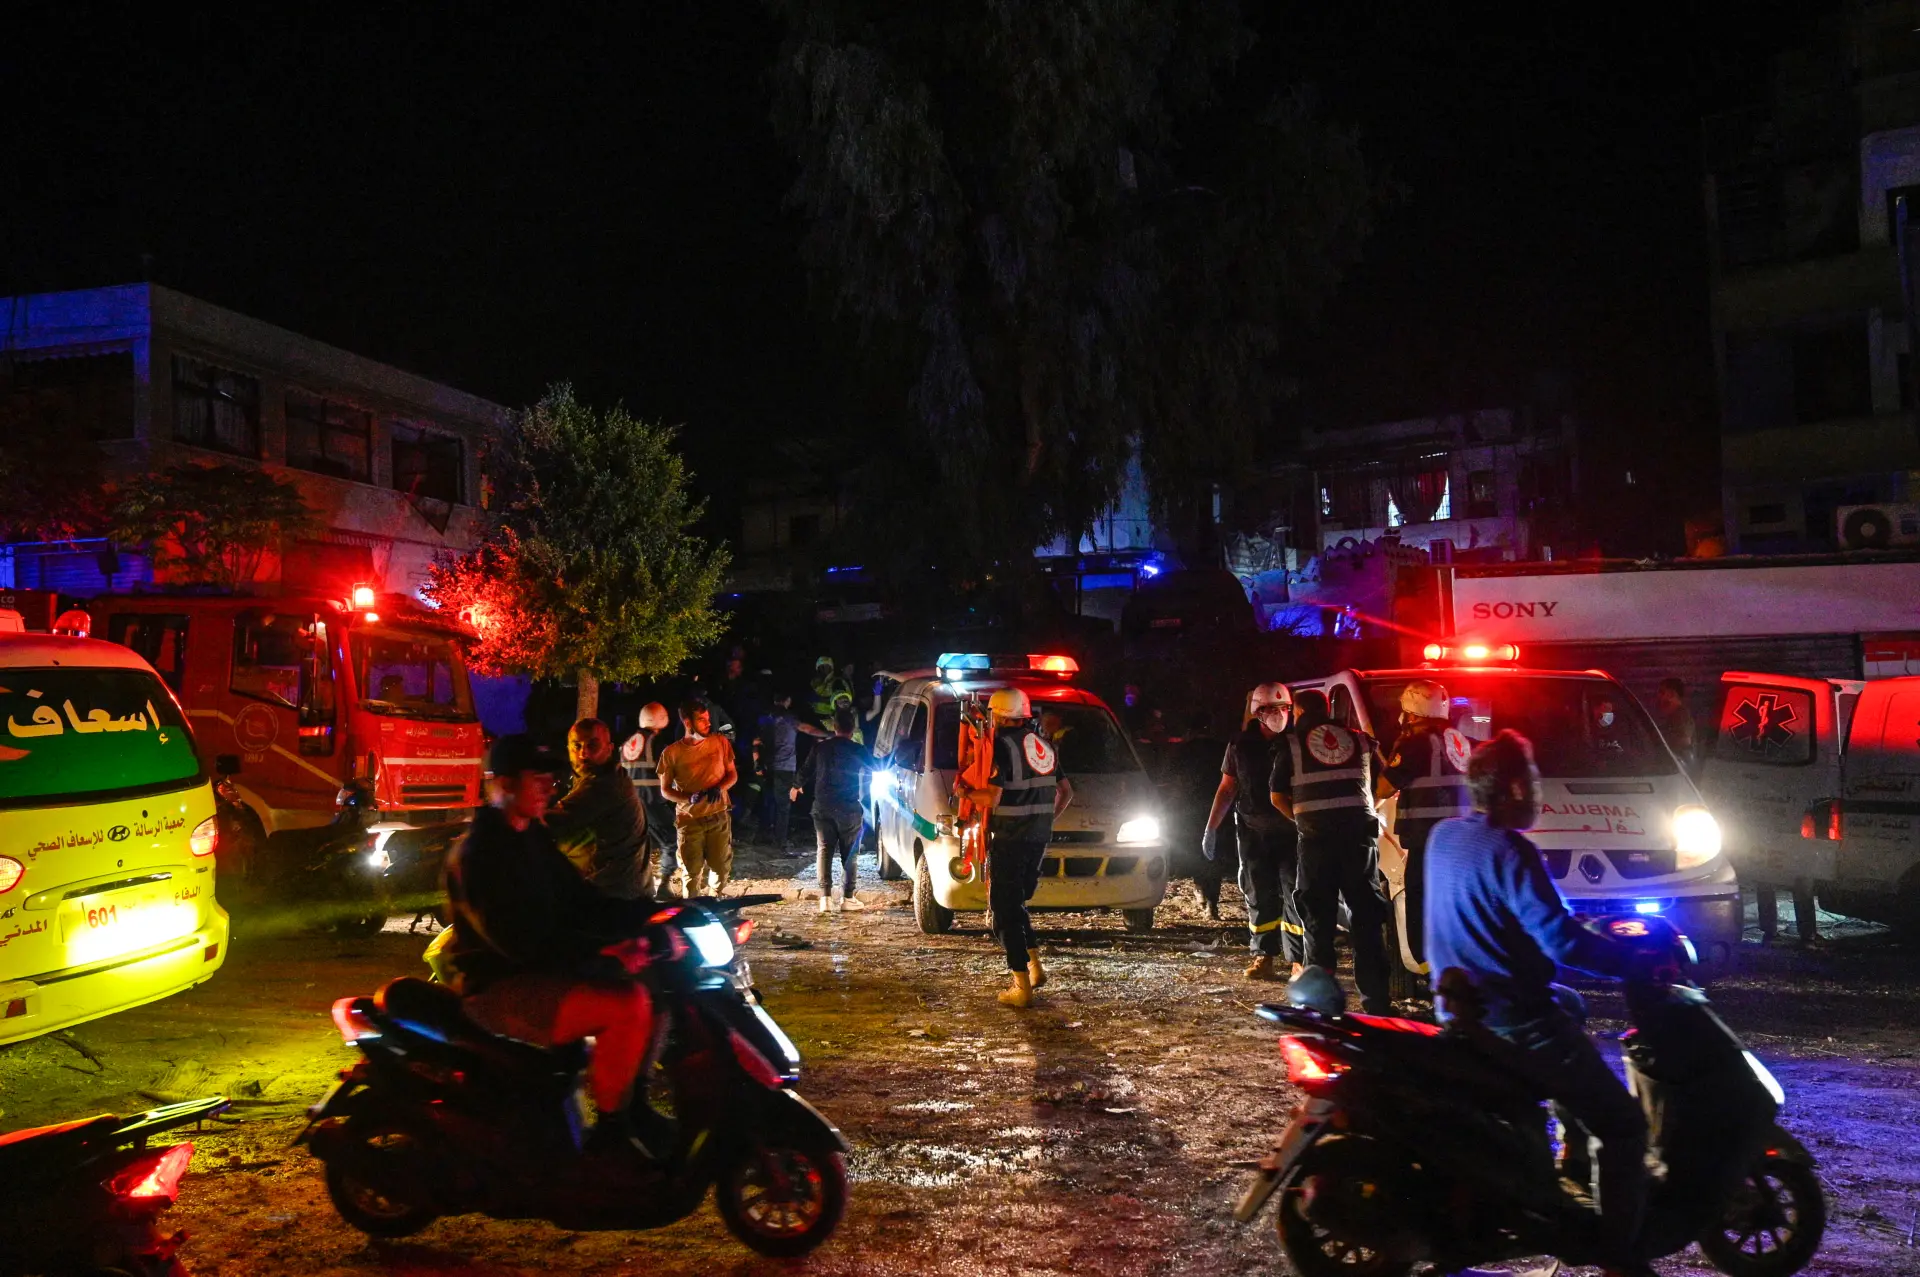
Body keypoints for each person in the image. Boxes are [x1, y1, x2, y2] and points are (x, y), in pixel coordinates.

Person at [1423, 730, 1652, 1276]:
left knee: (1570, 1005)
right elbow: (1562, 941)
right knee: (1625, 1126)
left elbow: (1519, 921)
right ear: (1512, 788)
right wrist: (1633, 961)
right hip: (1511, 1020)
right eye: (1533, 783)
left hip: (1461, 1006)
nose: (1538, 795)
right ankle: (1619, 1257)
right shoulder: (1511, 849)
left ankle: (1570, 1155)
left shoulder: (1444, 838)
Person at [439, 734, 663, 1156]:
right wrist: (600, 951)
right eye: (536, 777)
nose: (548, 786)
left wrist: (649, 917)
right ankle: (614, 1135)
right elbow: (520, 941)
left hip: (539, 973)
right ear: (503, 784)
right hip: (499, 988)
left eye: (550, 777)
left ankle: (636, 1107)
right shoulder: (480, 853)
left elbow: (583, 902)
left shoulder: (531, 839)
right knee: (626, 1005)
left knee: (658, 985)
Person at [1268, 689, 1392, 1014]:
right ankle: (1376, 1002)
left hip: (1316, 842)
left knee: (1317, 921)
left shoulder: (1292, 743)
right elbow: (1384, 785)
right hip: (1359, 841)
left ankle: (1319, 1005)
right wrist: (1365, 811)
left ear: (1296, 711)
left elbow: (1277, 796)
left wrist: (1303, 820)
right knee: (1366, 919)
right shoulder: (1361, 740)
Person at [962, 686, 1072, 1008]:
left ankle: (1020, 985)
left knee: (1003, 909)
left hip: (1010, 837)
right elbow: (1066, 793)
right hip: (1038, 837)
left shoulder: (999, 746)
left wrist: (965, 795)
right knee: (1016, 903)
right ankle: (1035, 970)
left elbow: (993, 797)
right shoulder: (1045, 746)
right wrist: (1045, 820)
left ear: (998, 716)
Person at [1203, 682, 1303, 982]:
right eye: (1272, 709)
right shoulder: (1240, 745)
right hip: (1253, 832)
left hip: (1293, 830)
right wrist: (1211, 827)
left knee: (1295, 894)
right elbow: (1226, 788)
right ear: (1258, 712)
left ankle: (1298, 960)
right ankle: (1264, 956)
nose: (1279, 714)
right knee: (1258, 894)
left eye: (1283, 708)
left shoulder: (1298, 742)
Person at [1376, 680, 1470, 968]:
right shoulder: (1457, 739)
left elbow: (1384, 787)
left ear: (1412, 712)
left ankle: (1427, 964)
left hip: (1426, 837)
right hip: (1459, 836)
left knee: (1419, 899)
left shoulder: (1414, 741)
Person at [548, 718, 651, 899]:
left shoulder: (603, 785)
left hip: (615, 896)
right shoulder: (611, 775)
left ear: (609, 749)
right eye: (576, 746)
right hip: (627, 888)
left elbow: (548, 823)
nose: (583, 753)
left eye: (592, 745)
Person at [794, 707, 872, 913]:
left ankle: (825, 899)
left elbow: (806, 769)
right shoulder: (858, 750)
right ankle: (847, 898)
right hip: (848, 808)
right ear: (853, 728)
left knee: (824, 849)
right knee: (850, 854)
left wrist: (795, 785)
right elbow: (876, 766)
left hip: (822, 806)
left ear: (834, 726)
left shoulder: (821, 748)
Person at [657, 699, 737, 897]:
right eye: (701, 720)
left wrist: (719, 788)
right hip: (689, 821)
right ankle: (691, 911)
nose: (708, 723)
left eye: (708, 719)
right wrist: (688, 798)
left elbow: (732, 774)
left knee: (720, 867)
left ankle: (715, 902)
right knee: (691, 872)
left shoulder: (721, 742)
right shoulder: (671, 753)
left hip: (719, 816)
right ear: (687, 723)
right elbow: (665, 790)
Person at [620, 703, 679, 895]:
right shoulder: (655, 742)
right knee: (671, 838)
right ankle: (664, 884)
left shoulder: (628, 742)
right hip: (651, 800)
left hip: (630, 801)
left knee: (641, 843)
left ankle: (638, 884)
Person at [756, 692, 802, 851]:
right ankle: (780, 840)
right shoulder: (790, 718)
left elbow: (757, 742)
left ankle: (765, 834)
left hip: (769, 767)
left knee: (769, 802)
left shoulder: (766, 718)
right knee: (783, 806)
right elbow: (807, 729)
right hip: (785, 768)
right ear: (787, 700)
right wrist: (829, 734)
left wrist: (758, 763)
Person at [1653, 677, 1698, 777]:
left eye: (1662, 692)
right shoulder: (1674, 715)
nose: (1658, 697)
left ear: (1671, 694)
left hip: (1679, 770)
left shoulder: (1681, 715)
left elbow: (1685, 741)